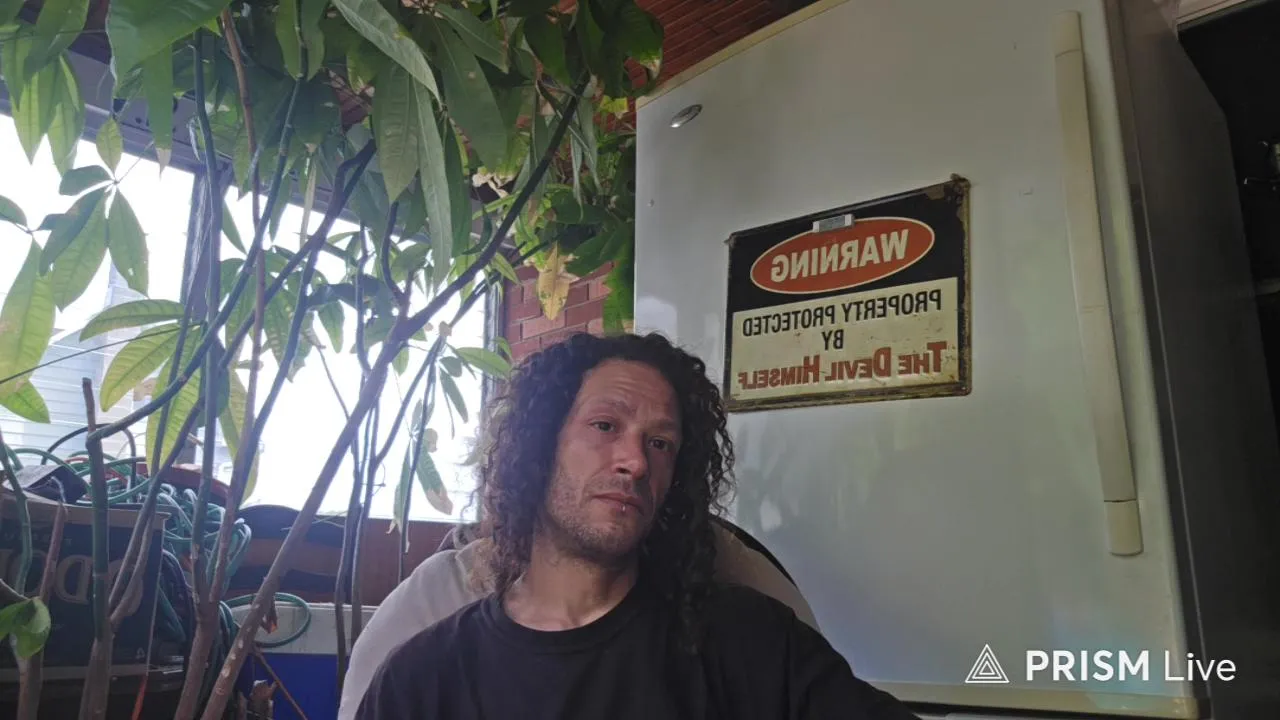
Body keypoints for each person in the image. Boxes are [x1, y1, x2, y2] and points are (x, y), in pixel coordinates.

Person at [355, 332, 919, 719]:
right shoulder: (423, 679)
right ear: (539, 446)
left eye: (660, 443)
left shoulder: (750, 643)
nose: (636, 461)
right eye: (605, 425)